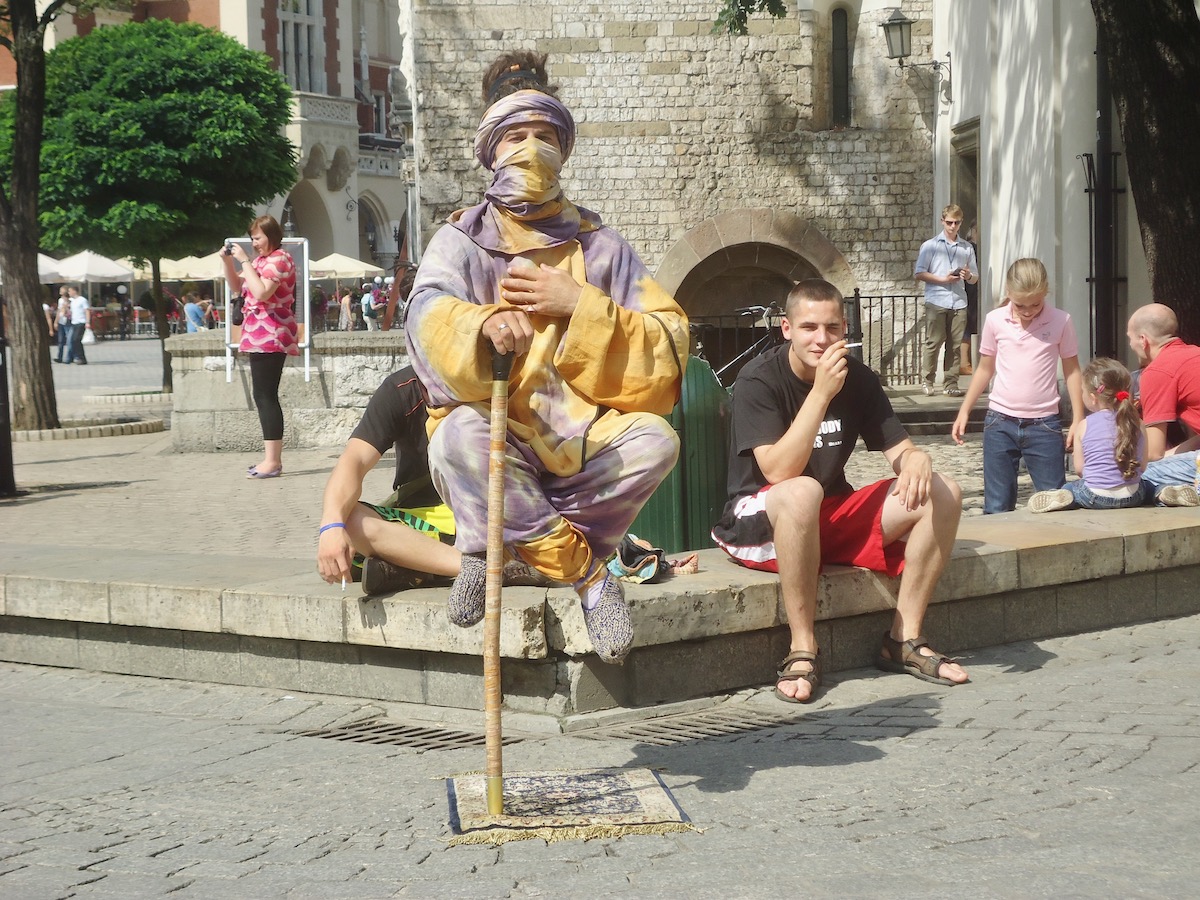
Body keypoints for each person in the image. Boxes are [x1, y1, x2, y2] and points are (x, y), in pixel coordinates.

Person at [404, 51, 688, 664]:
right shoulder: (460, 240)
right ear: (491, 147)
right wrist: (482, 327)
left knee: (657, 442)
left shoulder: (601, 244)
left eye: (543, 135)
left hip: (578, 434)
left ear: (562, 145)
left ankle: (500, 543)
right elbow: (425, 315)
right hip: (498, 428)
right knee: (456, 439)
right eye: (515, 135)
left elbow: (668, 342)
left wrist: (580, 305)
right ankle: (587, 576)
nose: (531, 149)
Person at [712, 278, 968, 703]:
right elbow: (778, 471)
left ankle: (903, 639)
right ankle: (803, 647)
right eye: (809, 327)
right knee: (802, 490)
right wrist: (820, 393)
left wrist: (916, 458)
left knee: (946, 491)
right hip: (759, 520)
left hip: (823, 513)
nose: (822, 339)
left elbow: (898, 448)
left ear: (844, 329)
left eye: (831, 328)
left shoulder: (858, 379)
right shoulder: (758, 380)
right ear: (786, 329)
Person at [316, 365, 553, 595]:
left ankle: (411, 568)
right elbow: (354, 460)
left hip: (493, 515)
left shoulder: (510, 381)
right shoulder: (403, 388)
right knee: (348, 520)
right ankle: (491, 570)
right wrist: (331, 526)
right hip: (425, 523)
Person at [951, 258, 1084, 514]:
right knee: (997, 505)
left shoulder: (1061, 321)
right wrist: (965, 410)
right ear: (1008, 292)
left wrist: (1078, 417)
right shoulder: (995, 320)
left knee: (1055, 502)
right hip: (1000, 423)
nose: (1028, 311)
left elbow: (1072, 370)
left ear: (1046, 292)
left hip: (1044, 424)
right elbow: (984, 368)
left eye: (1035, 303)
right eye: (1020, 304)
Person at [221, 214, 298, 479]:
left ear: (271, 236)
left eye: (257, 237)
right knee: (262, 395)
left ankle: (273, 461)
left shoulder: (280, 259)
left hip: (272, 332)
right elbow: (238, 287)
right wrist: (227, 262)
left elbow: (263, 292)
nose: (254, 243)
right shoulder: (261, 261)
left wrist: (243, 259)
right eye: (252, 238)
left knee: (266, 396)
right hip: (258, 333)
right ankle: (270, 459)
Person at [1027, 358, 1152, 512]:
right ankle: (1160, 492)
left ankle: (1061, 495)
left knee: (1071, 487)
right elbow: (1143, 465)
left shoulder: (1084, 425)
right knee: (1148, 485)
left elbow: (1080, 469)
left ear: (1093, 398)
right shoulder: (1138, 423)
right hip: (1133, 496)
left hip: (1095, 497)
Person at [1125, 303, 1200, 506]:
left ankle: (1076, 493)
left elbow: (1154, 452)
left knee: (1125, 478)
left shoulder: (1157, 372)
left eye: (1130, 338)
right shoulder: (1194, 354)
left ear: (1143, 340)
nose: (1131, 345)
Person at [914, 204, 979, 397]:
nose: (952, 226)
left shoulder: (967, 248)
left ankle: (951, 383)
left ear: (961, 223)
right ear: (943, 221)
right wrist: (943, 279)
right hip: (937, 300)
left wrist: (967, 275)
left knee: (955, 345)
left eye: (956, 223)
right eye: (949, 222)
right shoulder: (931, 246)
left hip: (959, 301)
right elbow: (919, 273)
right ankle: (928, 380)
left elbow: (975, 277)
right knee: (933, 342)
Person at [960, 222, 980, 376]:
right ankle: (964, 362)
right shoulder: (971, 248)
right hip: (970, 290)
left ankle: (966, 362)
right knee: (968, 324)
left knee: (971, 324)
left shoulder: (971, 248)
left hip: (972, 289)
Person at [64, 285, 91, 365]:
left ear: (74, 291)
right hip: (74, 322)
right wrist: (66, 308)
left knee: (76, 339)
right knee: (73, 340)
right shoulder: (73, 301)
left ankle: (80, 357)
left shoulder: (82, 300)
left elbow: (87, 311)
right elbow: (71, 312)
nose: (69, 293)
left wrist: (87, 322)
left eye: (70, 291)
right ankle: (77, 357)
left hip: (81, 322)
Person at [53, 287, 71, 363]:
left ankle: (69, 357)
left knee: (69, 340)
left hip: (68, 321)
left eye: (61, 291)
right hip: (61, 321)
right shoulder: (60, 300)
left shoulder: (71, 300)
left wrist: (67, 306)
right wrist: (56, 321)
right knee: (60, 340)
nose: (60, 293)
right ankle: (59, 357)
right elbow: (59, 311)